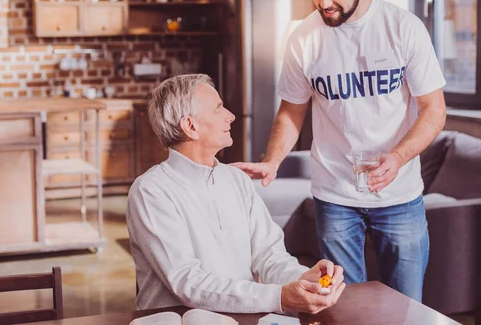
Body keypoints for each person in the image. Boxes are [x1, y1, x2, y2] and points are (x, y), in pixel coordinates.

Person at [232, 0, 446, 302]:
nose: (323, 3)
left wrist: (397, 158)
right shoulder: (304, 38)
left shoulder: (402, 28)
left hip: (399, 196)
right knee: (341, 306)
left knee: (405, 307)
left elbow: (434, 111)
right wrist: (272, 160)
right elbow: (291, 111)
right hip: (333, 197)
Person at [126, 74, 346, 314]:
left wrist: (305, 278)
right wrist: (280, 297)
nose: (230, 116)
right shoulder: (151, 191)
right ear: (190, 126)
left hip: (241, 319)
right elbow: (187, 283)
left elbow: (270, 257)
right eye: (219, 109)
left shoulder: (236, 180)